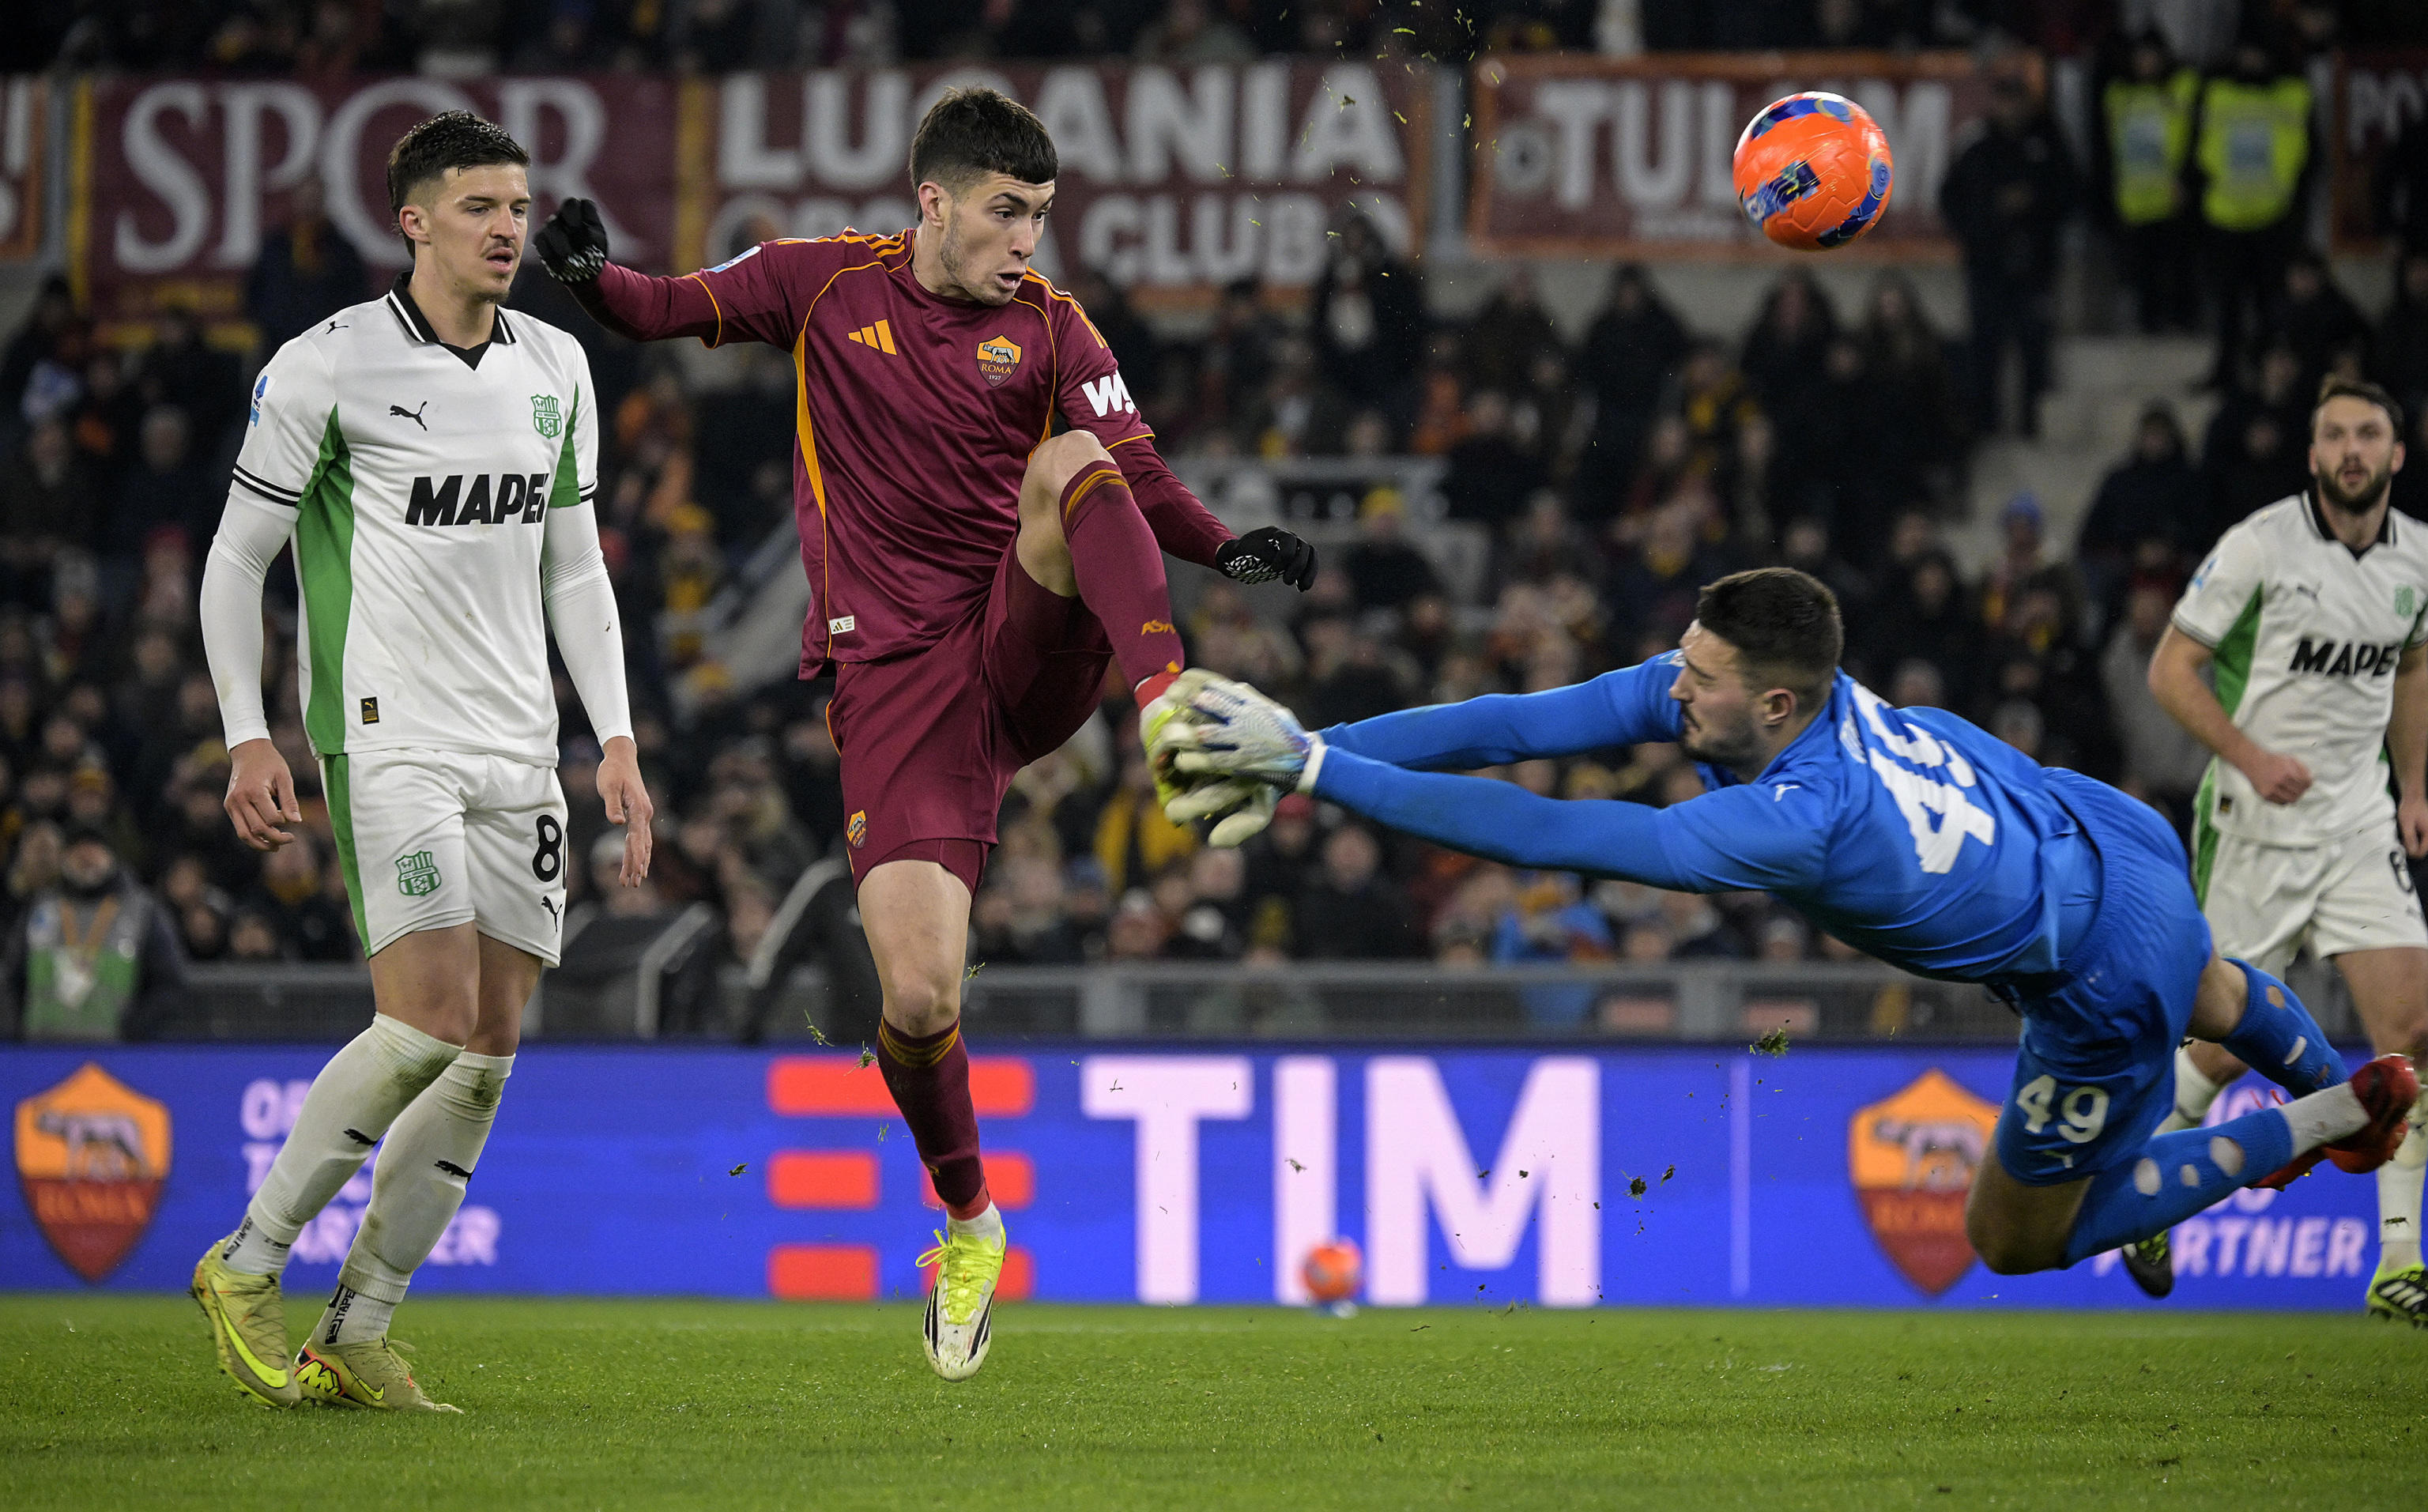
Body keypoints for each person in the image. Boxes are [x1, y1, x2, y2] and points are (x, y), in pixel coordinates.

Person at [530, 86, 1315, 1380]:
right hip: (895, 686)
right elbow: (665, 307)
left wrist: (1222, 545)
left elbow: (1131, 465)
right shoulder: (822, 284)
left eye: (1042, 214)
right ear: (934, 201)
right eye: (1008, 211)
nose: (1028, 238)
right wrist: (590, 278)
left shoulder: (1052, 324)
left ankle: (1168, 704)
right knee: (917, 996)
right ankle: (968, 1218)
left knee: (1071, 466)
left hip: (1021, 637)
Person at [1150, 568, 2419, 1283]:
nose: (1672, 685)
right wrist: (1301, 746)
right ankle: (2342, 1087)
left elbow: (1547, 830)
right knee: (2218, 992)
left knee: (2014, 1238)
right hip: (2103, 832)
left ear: (1770, 706)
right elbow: (1515, 726)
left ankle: (2314, 1124)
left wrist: (1314, 772)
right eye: (1682, 659)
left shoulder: (1801, 818)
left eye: (1697, 679)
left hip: (2094, 965)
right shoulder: (1777, 692)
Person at [190, 111, 650, 1412]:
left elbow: (575, 568)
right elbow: (236, 559)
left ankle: (362, 1326)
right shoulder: (327, 365)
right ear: (414, 221)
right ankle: (248, 1259)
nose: (509, 228)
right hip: (389, 732)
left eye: (519, 207)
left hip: (521, 748)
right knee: (426, 1018)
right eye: (480, 207)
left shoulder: (558, 364)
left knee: (489, 1045)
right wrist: (246, 731)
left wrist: (615, 734)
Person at [2136, 376, 2428, 1321]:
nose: (2351, 449)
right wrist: (2251, 757)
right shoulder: (2260, 545)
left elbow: (2414, 663)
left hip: (2358, 822)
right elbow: (2170, 669)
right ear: (2312, 455)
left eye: (2368, 433)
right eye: (2334, 434)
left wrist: (2412, 786)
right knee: (2224, 1048)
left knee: (2415, 1030)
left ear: (2396, 452)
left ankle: (2398, 1262)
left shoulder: (2418, 557)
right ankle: (2148, 1185)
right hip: (2255, 823)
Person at [2, 821, 185, 1040]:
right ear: (64, 858)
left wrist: (133, 1032)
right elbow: (12, 979)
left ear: (112, 856)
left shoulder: (142, 911)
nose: (86, 857)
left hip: (113, 1052)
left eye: (95, 849)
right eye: (77, 850)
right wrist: (17, 1033)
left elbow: (168, 983)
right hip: (41, 1050)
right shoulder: (40, 908)